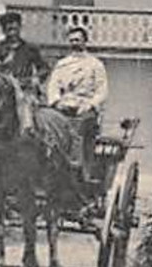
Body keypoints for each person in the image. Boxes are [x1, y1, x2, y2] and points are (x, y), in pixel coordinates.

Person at [44, 25, 108, 183]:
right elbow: (53, 86)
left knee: (81, 127)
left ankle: (80, 167)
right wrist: (56, 102)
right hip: (63, 107)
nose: (74, 43)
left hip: (84, 108)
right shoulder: (62, 64)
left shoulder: (95, 65)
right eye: (72, 40)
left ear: (85, 42)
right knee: (46, 123)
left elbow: (102, 91)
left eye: (78, 40)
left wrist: (89, 105)